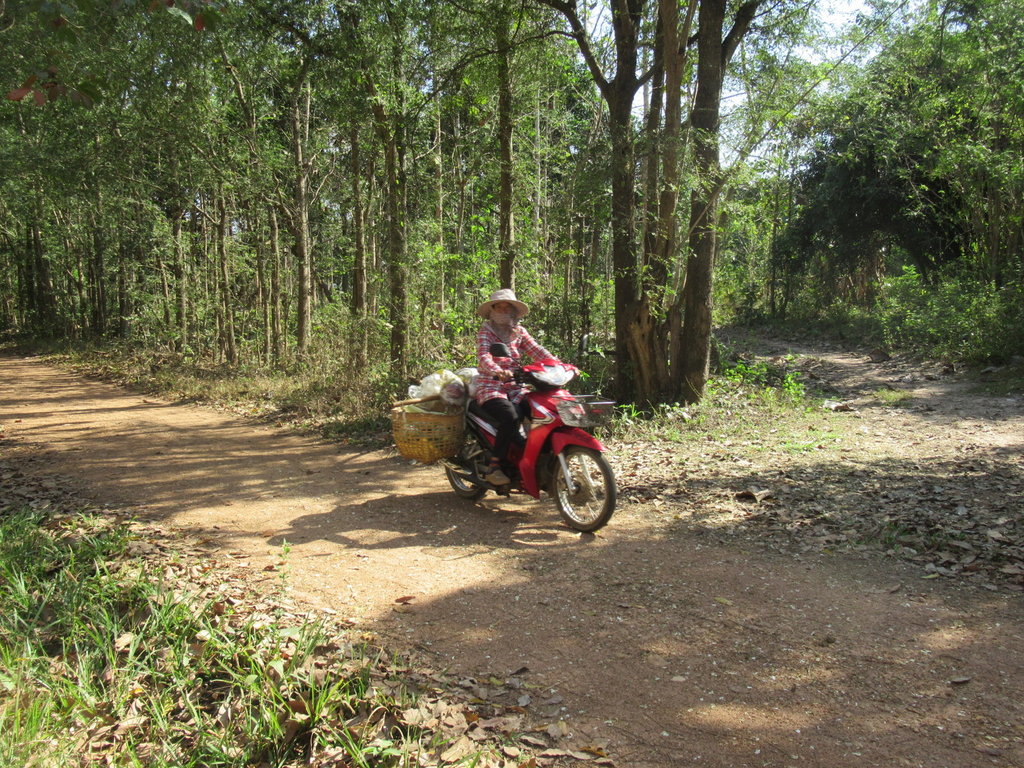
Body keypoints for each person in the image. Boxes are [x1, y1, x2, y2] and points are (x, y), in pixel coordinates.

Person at [474, 288, 557, 485]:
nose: (503, 310)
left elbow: (537, 350)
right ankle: (495, 466)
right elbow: (484, 356)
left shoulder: (519, 331)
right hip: (492, 386)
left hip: (517, 387)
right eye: (499, 307)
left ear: (513, 311)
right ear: (492, 310)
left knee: (544, 410)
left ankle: (535, 455)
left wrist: (558, 364)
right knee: (510, 416)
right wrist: (497, 370)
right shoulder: (486, 331)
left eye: (507, 307)